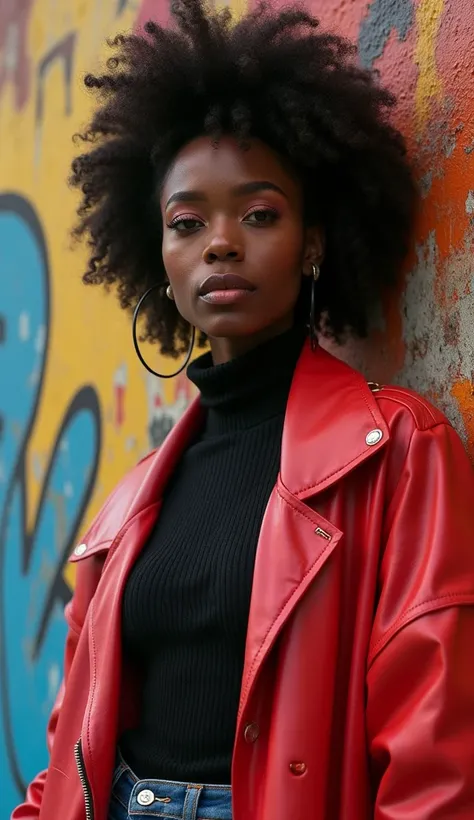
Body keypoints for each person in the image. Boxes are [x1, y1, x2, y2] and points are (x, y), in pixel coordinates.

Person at [13, 1, 474, 818]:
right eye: (187, 223)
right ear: (157, 254)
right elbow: (67, 751)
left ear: (314, 243)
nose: (220, 243)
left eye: (259, 214)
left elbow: (434, 754)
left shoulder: (399, 448)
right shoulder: (126, 508)